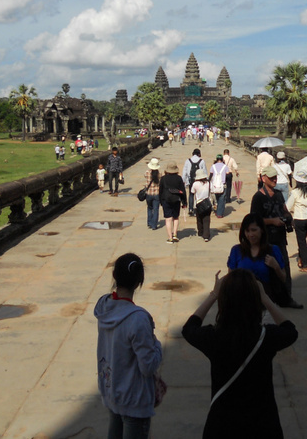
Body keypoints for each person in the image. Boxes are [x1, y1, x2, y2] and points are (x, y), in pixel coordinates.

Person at [182, 269, 298, 439]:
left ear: (224, 301)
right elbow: (290, 330)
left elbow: (189, 328)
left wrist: (214, 294)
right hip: (262, 423)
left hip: (223, 423)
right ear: (255, 301)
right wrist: (265, 298)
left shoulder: (214, 337)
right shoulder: (265, 337)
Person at [94, 253, 163, 439]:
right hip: (134, 397)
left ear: (114, 276)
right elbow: (148, 366)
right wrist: (157, 346)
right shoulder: (138, 318)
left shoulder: (104, 306)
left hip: (112, 389)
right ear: (140, 279)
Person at [250, 165, 302, 309]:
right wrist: (272, 221)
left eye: (275, 177)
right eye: (271, 177)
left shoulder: (279, 194)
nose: (274, 179)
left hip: (279, 238)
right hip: (265, 239)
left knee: (284, 267)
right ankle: (265, 300)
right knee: (265, 270)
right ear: (263, 178)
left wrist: (288, 217)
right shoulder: (258, 197)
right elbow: (255, 220)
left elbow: (284, 209)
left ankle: (287, 298)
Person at [226, 213, 287, 303]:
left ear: (262, 230)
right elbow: (230, 279)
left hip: (266, 303)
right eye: (247, 231)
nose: (250, 234)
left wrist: (276, 266)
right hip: (241, 302)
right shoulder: (236, 250)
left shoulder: (273, 250)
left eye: (254, 230)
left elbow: (283, 278)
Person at [285, 170, 307, 273]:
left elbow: (287, 207)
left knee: (302, 242)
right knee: (303, 241)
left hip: (299, 219)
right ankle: (301, 259)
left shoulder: (295, 192)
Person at [160, 161, 187, 243]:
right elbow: (183, 191)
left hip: (166, 199)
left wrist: (161, 201)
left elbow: (160, 191)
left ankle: (170, 237)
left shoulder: (163, 178)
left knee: (168, 219)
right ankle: (175, 234)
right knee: (175, 217)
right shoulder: (179, 178)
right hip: (176, 199)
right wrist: (184, 202)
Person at [192, 168, 213, 242]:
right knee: (206, 219)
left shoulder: (195, 184)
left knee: (199, 218)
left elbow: (192, 192)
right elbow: (212, 191)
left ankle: (200, 232)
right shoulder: (209, 183)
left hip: (198, 203)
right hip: (207, 203)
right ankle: (206, 235)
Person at [182, 149, 206, 215]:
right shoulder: (202, 161)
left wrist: (183, 180)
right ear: (199, 154)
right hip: (199, 180)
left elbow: (185, 172)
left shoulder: (188, 161)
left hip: (191, 180)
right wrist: (206, 180)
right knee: (199, 194)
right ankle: (197, 208)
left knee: (191, 194)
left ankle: (190, 208)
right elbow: (204, 171)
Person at [208, 154, 229, 219]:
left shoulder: (213, 166)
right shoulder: (225, 166)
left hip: (215, 185)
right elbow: (228, 174)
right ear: (222, 159)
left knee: (216, 198)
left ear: (216, 160)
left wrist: (208, 182)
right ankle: (219, 213)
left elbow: (211, 175)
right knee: (222, 199)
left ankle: (217, 210)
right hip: (222, 184)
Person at [144, 158, 162, 230]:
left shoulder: (147, 172)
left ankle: (149, 222)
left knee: (149, 208)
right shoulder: (159, 174)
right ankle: (154, 225)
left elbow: (145, 177)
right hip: (157, 193)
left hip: (149, 193)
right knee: (156, 209)